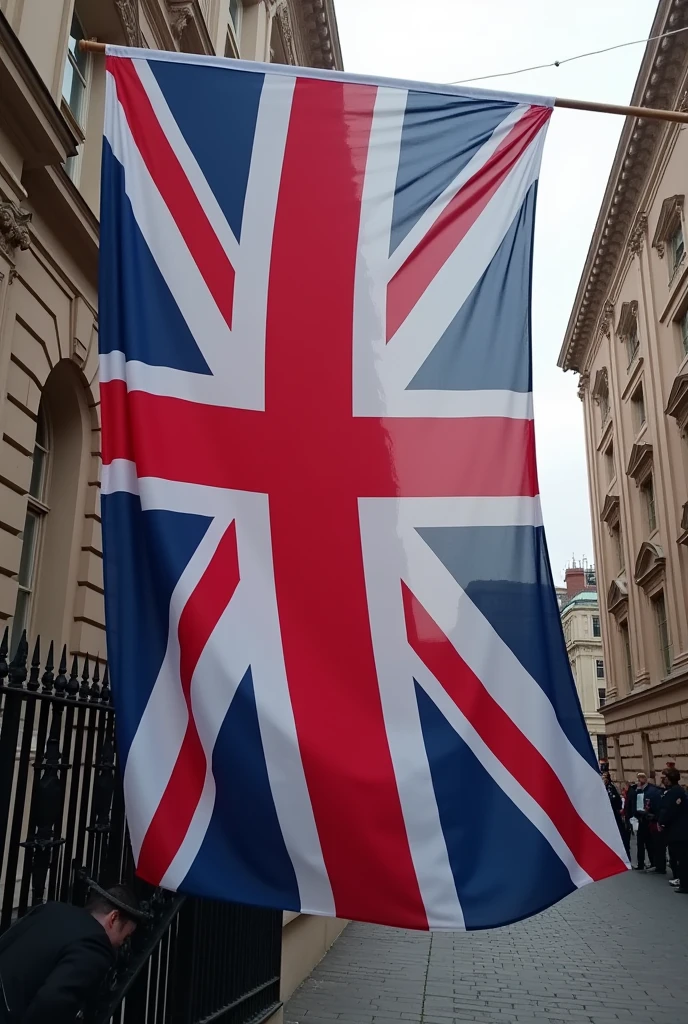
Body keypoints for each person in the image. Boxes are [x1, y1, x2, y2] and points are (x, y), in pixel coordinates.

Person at [0, 883, 142, 1024]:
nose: (123, 943)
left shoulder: (50, 909)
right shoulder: (96, 945)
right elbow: (52, 1003)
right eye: (126, 936)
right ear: (113, 918)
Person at [659, 768, 688, 895]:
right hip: (679, 830)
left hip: (678, 831)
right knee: (680, 858)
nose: (662, 780)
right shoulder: (676, 791)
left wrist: (661, 822)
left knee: (681, 859)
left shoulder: (674, 792)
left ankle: (684, 884)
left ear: (669, 779)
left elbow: (668, 810)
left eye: (664, 778)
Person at [626, 771, 662, 871]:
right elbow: (632, 801)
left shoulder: (652, 790)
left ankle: (653, 862)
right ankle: (641, 863)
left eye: (640, 778)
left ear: (645, 779)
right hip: (639, 818)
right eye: (638, 778)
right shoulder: (636, 790)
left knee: (649, 842)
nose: (638, 781)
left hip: (647, 819)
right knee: (640, 842)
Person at [602, 771, 630, 858]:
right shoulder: (604, 788)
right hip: (608, 816)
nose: (603, 779)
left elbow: (616, 801)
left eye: (605, 778)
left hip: (613, 815)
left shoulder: (611, 788)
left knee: (620, 835)